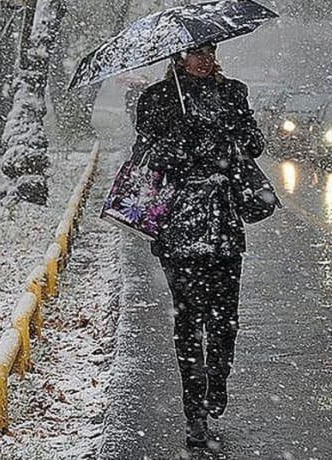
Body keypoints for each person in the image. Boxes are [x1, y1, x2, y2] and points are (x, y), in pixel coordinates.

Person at [133, 42, 265, 448]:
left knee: (225, 319)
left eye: (209, 51)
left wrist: (230, 138)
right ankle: (194, 412)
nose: (204, 59)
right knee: (189, 322)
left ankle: (217, 378)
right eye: (195, 53)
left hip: (223, 223)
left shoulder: (232, 92)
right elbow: (146, 156)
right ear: (178, 58)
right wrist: (183, 142)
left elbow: (255, 144)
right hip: (179, 225)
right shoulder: (157, 99)